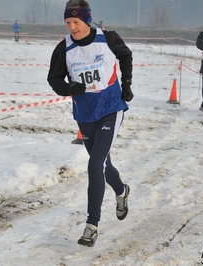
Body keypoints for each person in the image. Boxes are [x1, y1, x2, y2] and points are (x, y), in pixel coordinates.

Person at [47, 0, 133, 247]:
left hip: (110, 108)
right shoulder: (64, 48)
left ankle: (91, 225)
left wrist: (126, 84)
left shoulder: (107, 38)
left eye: (76, 22)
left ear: (87, 20)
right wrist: (69, 88)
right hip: (84, 115)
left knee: (94, 164)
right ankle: (121, 191)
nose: (72, 27)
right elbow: (54, 79)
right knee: (103, 165)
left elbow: (126, 55)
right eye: (68, 23)